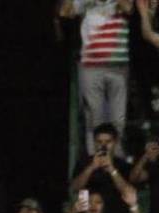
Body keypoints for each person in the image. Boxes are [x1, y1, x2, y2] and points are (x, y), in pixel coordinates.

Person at [62, 0, 133, 154]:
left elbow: (128, 8)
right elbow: (65, 12)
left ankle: (116, 159)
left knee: (118, 119)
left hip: (118, 65)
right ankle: (95, 160)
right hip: (91, 65)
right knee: (95, 118)